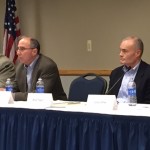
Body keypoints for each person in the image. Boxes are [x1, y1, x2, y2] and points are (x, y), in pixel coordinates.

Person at [13, 36, 67, 101]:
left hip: (54, 107)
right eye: (18, 49)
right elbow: (14, 88)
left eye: (22, 49)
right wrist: (5, 92)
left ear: (34, 52)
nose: (18, 53)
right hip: (29, 106)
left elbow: (39, 95)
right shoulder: (20, 67)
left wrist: (14, 96)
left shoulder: (47, 66)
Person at [107, 36, 150, 104]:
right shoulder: (115, 73)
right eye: (120, 50)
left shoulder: (147, 73)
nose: (120, 54)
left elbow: (147, 104)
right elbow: (109, 98)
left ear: (137, 53)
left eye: (124, 51)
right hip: (115, 112)